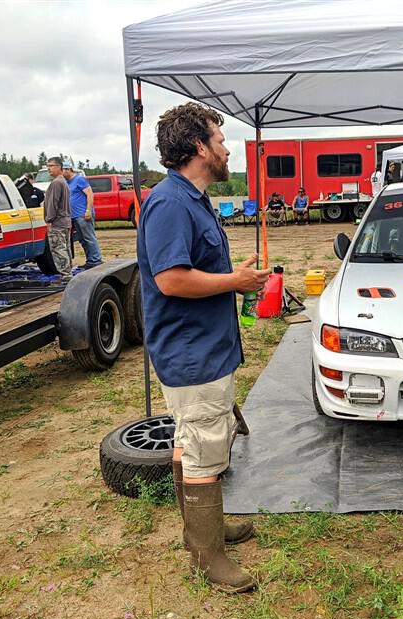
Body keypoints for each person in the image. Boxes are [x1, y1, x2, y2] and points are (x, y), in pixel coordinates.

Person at [137, 102, 270, 593]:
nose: (226, 147)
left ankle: (202, 534)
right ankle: (208, 557)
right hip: (192, 353)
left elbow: (192, 268)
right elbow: (171, 280)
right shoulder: (172, 202)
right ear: (198, 147)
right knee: (202, 450)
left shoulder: (191, 198)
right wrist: (235, 281)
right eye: (219, 138)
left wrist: (233, 277)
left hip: (203, 348)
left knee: (191, 439)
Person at [62, 162, 103, 269]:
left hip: (83, 215)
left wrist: (88, 210)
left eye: (62, 170)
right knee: (82, 239)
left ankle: (96, 260)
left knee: (89, 237)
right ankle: (90, 260)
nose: (61, 173)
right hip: (74, 216)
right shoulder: (67, 182)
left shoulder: (79, 179)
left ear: (68, 170)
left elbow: (89, 194)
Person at [43, 157, 72, 281]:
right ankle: (67, 272)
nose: (49, 168)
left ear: (60, 167)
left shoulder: (56, 183)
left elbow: (53, 203)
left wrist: (49, 220)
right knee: (65, 248)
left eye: (52, 166)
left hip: (58, 222)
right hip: (65, 221)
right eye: (48, 166)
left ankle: (66, 275)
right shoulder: (62, 181)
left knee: (58, 249)